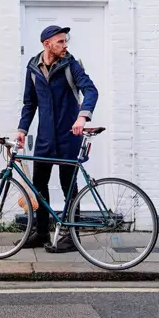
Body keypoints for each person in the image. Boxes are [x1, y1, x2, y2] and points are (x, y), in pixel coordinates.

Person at [16, 24, 98, 253]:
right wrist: (22, 129)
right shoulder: (33, 68)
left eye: (65, 41)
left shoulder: (71, 65)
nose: (65, 45)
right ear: (47, 44)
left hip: (68, 137)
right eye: (60, 41)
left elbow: (91, 90)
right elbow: (29, 103)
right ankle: (41, 231)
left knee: (68, 186)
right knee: (39, 185)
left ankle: (72, 237)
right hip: (44, 138)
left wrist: (82, 118)